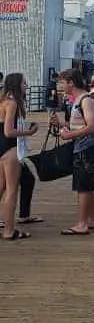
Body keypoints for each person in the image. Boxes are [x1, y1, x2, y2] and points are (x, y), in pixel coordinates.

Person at [54, 68, 94, 235]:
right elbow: (81, 124)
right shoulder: (79, 100)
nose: (61, 86)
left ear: (71, 82)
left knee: (83, 186)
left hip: (85, 148)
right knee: (88, 185)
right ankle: (91, 219)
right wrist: (63, 126)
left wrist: (69, 135)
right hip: (83, 147)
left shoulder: (85, 100)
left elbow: (91, 126)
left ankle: (82, 224)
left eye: (62, 82)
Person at [0, 73, 39, 239]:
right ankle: (9, 230)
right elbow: (9, 131)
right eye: (24, 83)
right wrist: (29, 132)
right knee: (12, 190)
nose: (26, 86)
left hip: (0, 146)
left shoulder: (2, 100)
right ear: (17, 84)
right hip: (9, 148)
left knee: (1, 187)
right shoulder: (12, 103)